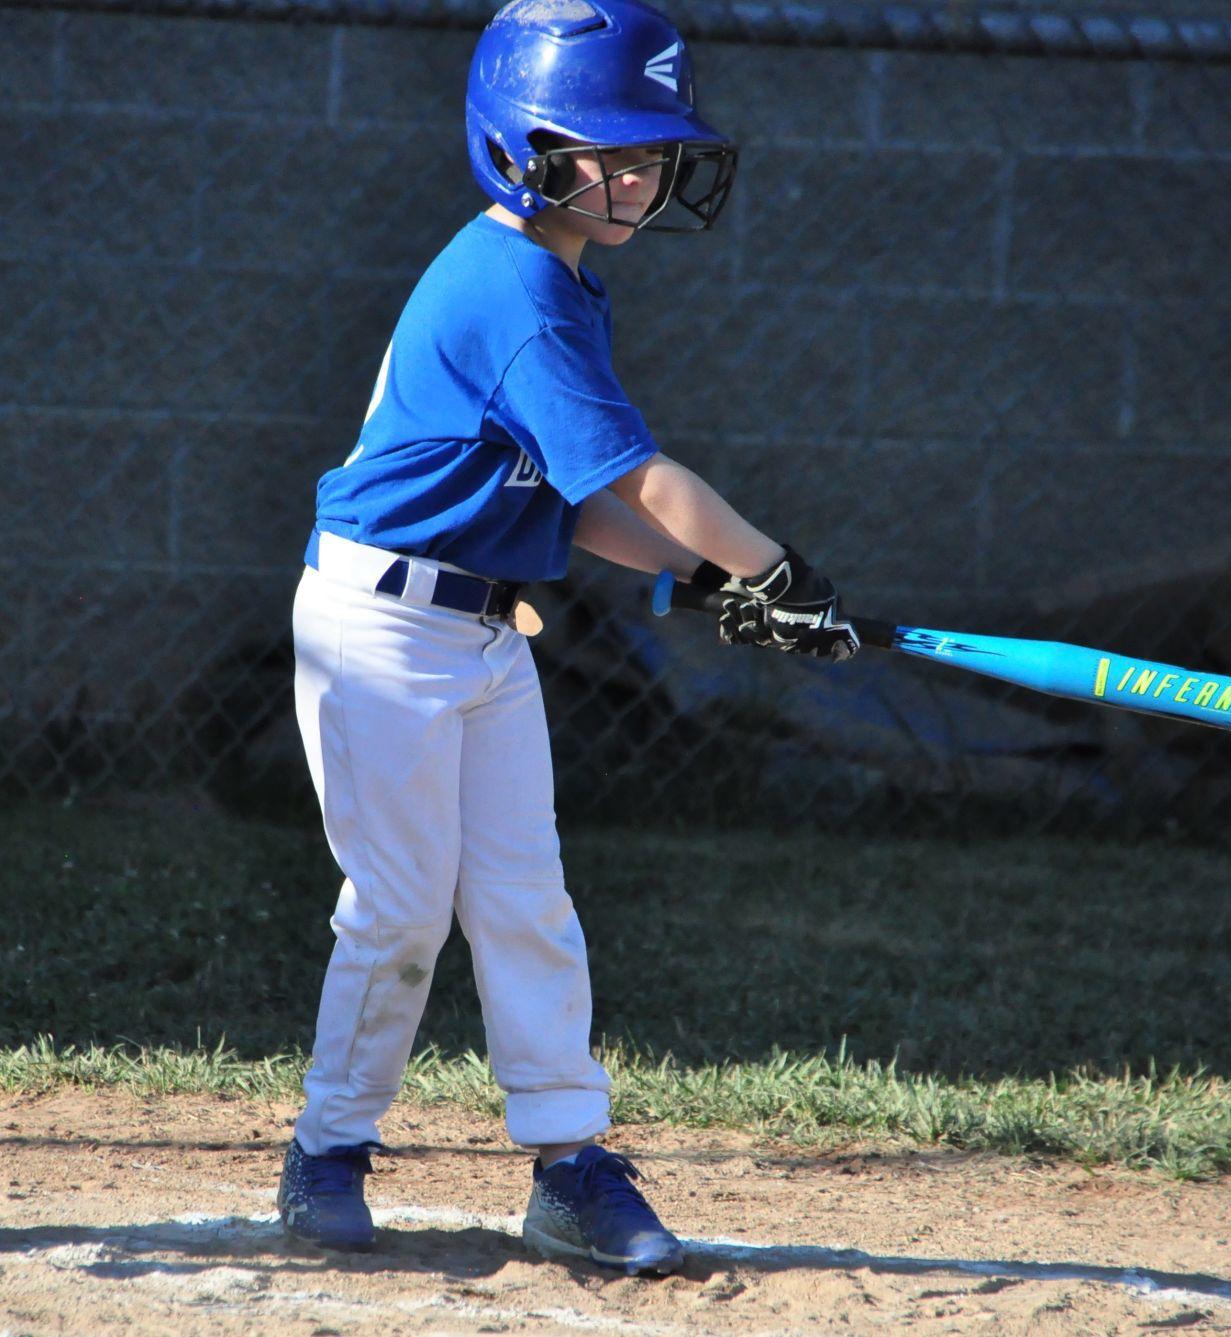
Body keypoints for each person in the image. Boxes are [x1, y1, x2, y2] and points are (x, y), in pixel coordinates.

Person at [276, 0, 858, 1278]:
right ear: (516, 145)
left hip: (479, 632)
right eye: (605, 148)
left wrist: (716, 584)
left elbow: (585, 505)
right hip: (380, 628)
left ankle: (568, 1163)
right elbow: (642, 483)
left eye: (650, 151)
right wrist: (767, 565)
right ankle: (327, 1147)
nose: (637, 175)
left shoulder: (558, 278)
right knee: (399, 910)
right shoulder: (515, 286)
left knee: (528, 903)